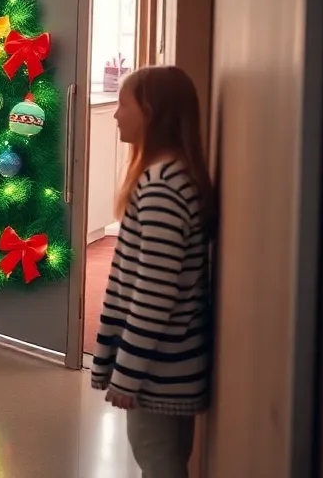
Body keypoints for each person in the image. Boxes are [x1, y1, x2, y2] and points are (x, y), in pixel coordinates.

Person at [92, 66, 213, 478]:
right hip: (167, 367)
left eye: (123, 105)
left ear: (151, 111)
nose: (116, 114)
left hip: (159, 372)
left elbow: (154, 294)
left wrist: (127, 373)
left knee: (159, 462)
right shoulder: (171, 176)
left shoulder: (162, 187)